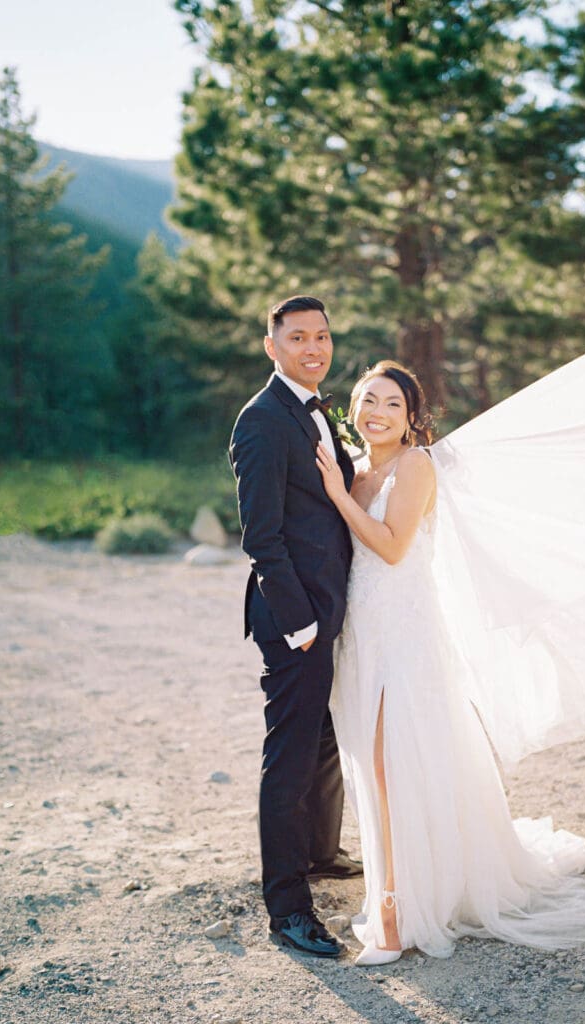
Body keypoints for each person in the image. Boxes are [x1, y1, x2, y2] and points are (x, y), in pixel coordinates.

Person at [316, 273, 585, 964]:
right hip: (363, 635)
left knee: (393, 764)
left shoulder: (415, 468)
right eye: (367, 398)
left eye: (391, 403)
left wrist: (339, 498)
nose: (376, 410)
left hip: (404, 634)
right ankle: (399, 891)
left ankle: (399, 913)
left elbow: (395, 548)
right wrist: (344, 490)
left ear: (410, 416)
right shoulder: (361, 471)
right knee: (375, 768)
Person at [229, 295, 362, 960]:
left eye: (322, 336)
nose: (314, 348)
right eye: (298, 337)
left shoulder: (318, 408)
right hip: (295, 619)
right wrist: (301, 623)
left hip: (333, 609)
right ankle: (288, 908)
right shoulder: (261, 422)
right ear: (271, 344)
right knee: (289, 756)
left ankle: (319, 851)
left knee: (327, 739)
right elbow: (263, 539)